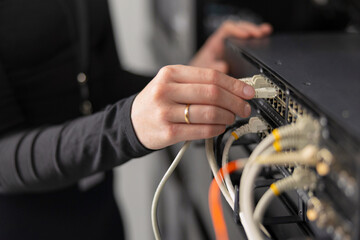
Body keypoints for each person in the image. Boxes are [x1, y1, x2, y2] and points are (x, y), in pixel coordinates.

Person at [0, 0, 271, 239]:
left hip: (101, 216)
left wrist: (184, 84)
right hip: (28, 225)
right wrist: (126, 126)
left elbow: (102, 82)